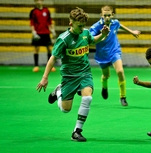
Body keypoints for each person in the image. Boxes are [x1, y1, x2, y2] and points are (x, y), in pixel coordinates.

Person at [36, 7, 109, 142]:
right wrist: (44, 77)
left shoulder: (85, 33)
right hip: (69, 76)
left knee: (87, 98)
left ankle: (77, 131)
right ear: (71, 24)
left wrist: (103, 35)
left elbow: (94, 40)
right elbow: (53, 58)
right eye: (79, 26)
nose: (82, 29)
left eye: (83, 26)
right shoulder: (63, 39)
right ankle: (59, 91)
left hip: (85, 72)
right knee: (65, 109)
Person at [89, 5, 141, 106]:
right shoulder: (96, 27)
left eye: (109, 15)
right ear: (101, 15)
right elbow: (91, 40)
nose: (107, 18)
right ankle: (104, 86)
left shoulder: (115, 23)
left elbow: (120, 25)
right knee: (106, 75)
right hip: (102, 54)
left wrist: (132, 32)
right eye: (105, 16)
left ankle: (123, 97)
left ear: (112, 15)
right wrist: (101, 36)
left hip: (114, 51)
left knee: (120, 71)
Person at [30, 0, 56, 72]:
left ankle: (50, 66)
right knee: (36, 49)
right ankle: (36, 66)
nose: (38, 2)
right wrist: (33, 32)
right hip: (37, 33)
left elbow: (49, 22)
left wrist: (52, 31)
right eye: (37, 0)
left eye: (40, 0)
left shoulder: (46, 10)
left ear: (42, 1)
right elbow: (32, 23)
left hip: (46, 33)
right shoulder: (33, 11)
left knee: (49, 48)